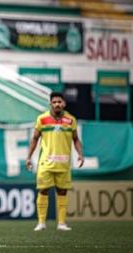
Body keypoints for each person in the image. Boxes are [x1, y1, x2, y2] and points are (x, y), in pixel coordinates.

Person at [26, 92, 84, 231]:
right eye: (54, 102)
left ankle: (62, 223)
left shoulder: (71, 120)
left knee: (62, 192)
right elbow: (35, 139)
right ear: (50, 104)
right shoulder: (42, 119)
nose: (57, 104)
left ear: (64, 103)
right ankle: (41, 223)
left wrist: (80, 154)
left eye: (59, 102)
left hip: (63, 164)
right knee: (43, 191)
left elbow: (75, 139)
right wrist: (28, 157)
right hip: (46, 163)